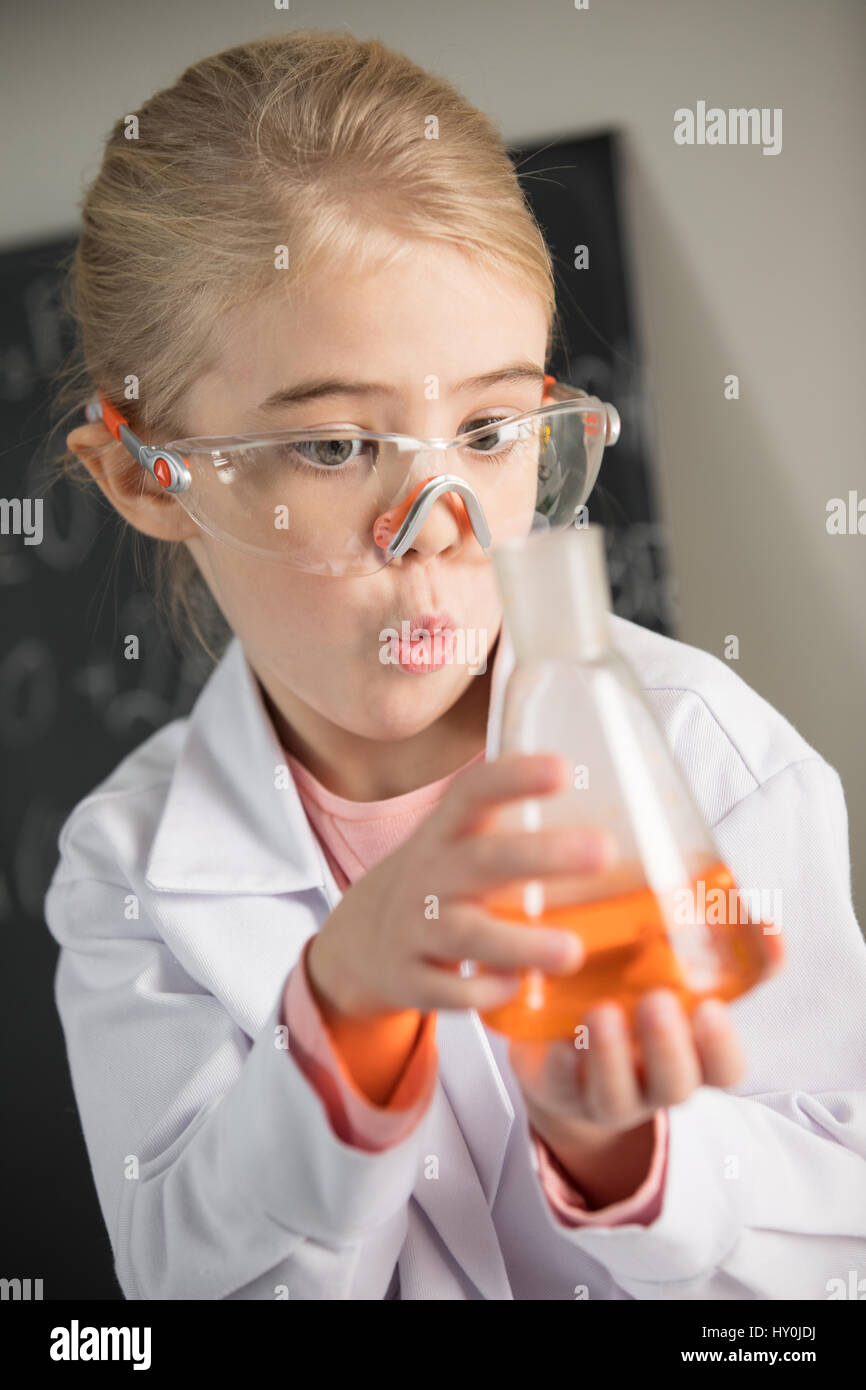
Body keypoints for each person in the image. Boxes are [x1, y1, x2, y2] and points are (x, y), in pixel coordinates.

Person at [44, 29, 866, 1301]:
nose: (443, 530)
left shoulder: (711, 761)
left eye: (486, 431)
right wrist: (343, 1029)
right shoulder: (128, 870)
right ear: (143, 475)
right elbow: (186, 1287)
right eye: (330, 447)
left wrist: (633, 1159)